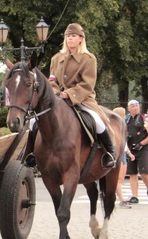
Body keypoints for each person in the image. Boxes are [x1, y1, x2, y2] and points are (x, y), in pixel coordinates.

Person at [47, 23, 115, 167]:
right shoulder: (56, 58)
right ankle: (31, 154)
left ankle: (110, 152)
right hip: (58, 99)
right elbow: (52, 80)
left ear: (80, 39)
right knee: (36, 121)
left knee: (97, 121)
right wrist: (56, 93)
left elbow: (87, 84)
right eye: (67, 36)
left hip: (82, 99)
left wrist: (69, 94)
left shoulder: (88, 59)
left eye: (73, 36)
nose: (69, 38)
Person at [126, 99, 148, 203]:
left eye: (137, 105)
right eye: (132, 106)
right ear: (129, 108)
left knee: (144, 172)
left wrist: (141, 144)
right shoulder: (127, 119)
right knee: (132, 173)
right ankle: (135, 196)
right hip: (131, 149)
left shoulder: (144, 118)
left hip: (143, 149)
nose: (135, 107)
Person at [112, 107, 132, 209]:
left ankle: (120, 198)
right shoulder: (116, 126)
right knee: (118, 179)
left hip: (123, 153)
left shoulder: (122, 126)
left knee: (120, 179)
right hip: (120, 153)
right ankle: (121, 199)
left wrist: (129, 152)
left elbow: (124, 142)